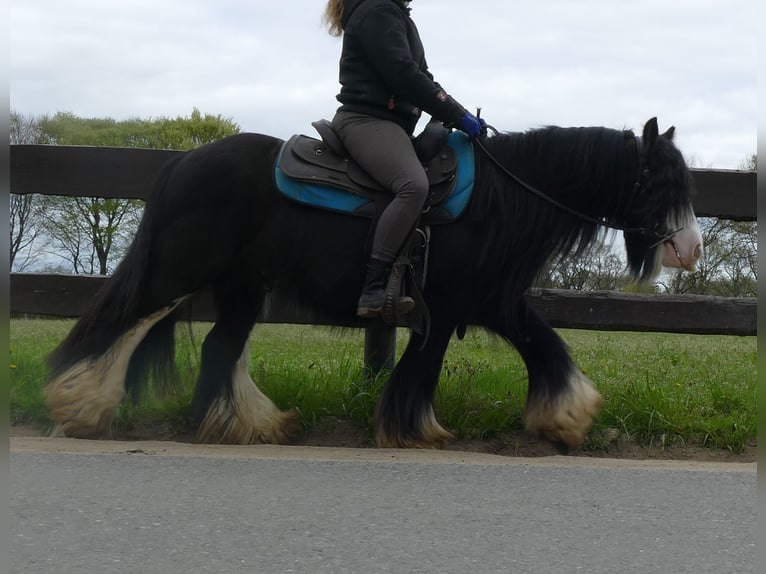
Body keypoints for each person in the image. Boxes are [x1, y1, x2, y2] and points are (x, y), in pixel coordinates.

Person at [323, 0, 486, 318]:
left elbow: (423, 77)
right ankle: (373, 286)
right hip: (366, 121)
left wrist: (456, 113)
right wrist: (457, 113)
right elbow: (404, 75)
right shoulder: (377, 11)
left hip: (391, 125)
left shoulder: (395, 15)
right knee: (413, 184)